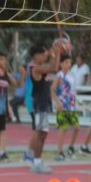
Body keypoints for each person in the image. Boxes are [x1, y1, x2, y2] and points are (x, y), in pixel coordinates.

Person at [25, 45, 60, 174]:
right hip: (40, 104)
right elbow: (54, 67)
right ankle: (36, 162)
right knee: (40, 133)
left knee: (41, 133)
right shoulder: (36, 68)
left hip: (44, 103)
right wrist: (55, 54)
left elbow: (54, 67)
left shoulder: (41, 68)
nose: (45, 57)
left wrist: (56, 54)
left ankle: (34, 159)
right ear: (36, 55)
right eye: (43, 55)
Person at [51, 54, 79, 161]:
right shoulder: (60, 75)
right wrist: (57, 102)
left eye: (70, 62)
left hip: (71, 104)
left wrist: (75, 103)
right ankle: (60, 152)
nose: (68, 64)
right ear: (61, 64)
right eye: (66, 62)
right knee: (64, 128)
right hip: (62, 104)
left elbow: (73, 91)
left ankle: (71, 147)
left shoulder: (71, 75)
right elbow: (53, 89)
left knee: (76, 127)